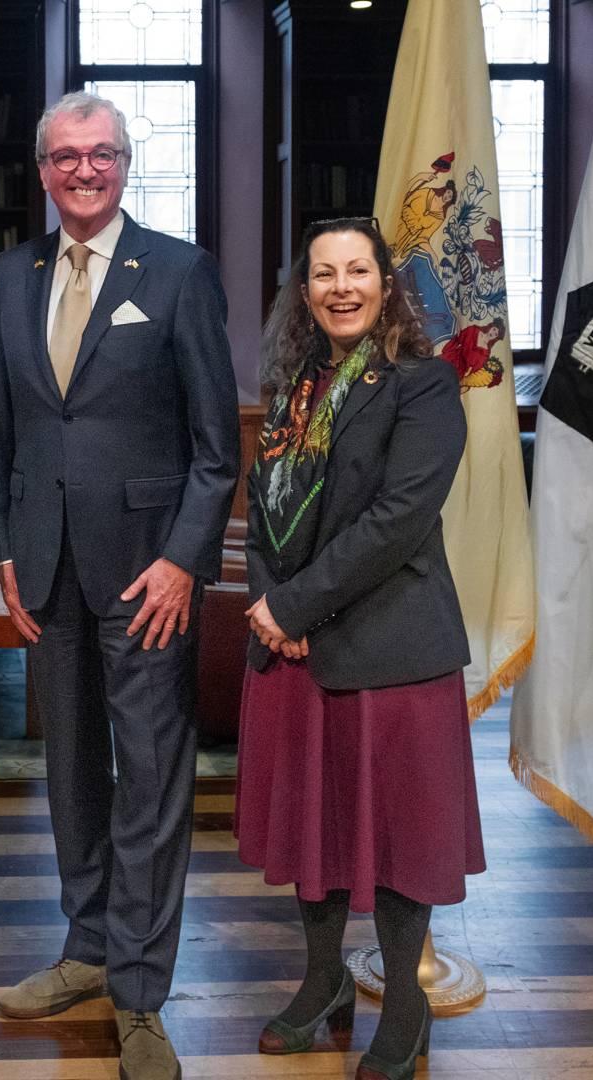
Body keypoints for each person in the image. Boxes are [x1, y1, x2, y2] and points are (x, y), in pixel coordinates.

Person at [0, 91, 239, 1080]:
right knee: (74, 773)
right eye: (65, 156)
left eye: (101, 154)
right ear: (42, 168)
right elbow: (0, 432)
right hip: (46, 570)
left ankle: (140, 991)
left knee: (153, 779)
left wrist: (183, 561)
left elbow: (216, 446)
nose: (83, 170)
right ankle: (87, 946)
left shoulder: (178, 271)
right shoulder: (9, 275)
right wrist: (3, 554)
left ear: (126, 164)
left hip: (147, 576)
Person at [236, 217, 484, 1080]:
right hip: (295, 649)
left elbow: (398, 520)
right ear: (304, 291)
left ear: (386, 284)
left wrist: (294, 603)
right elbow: (265, 505)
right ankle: (323, 980)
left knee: (400, 837)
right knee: (319, 830)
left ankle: (407, 1006)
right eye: (323, 274)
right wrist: (270, 603)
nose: (341, 288)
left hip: (391, 646)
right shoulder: (295, 384)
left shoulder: (424, 385)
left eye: (357, 271)